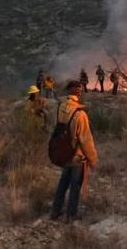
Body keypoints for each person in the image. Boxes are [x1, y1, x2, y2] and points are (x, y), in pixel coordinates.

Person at [50, 81, 97, 222]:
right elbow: (86, 140)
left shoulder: (60, 108)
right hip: (76, 157)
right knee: (75, 186)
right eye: (80, 91)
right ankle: (71, 216)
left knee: (63, 183)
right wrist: (93, 160)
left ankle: (54, 212)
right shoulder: (80, 114)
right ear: (78, 93)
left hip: (63, 154)